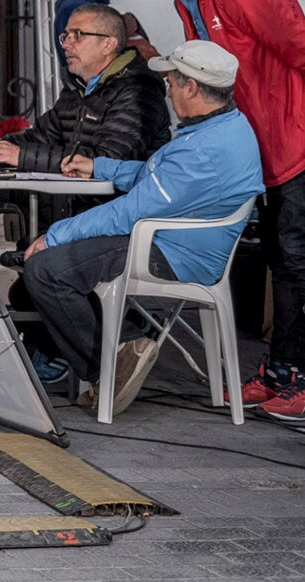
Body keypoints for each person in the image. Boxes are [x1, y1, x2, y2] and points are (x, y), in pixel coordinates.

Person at [124, 0, 305, 419]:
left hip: (300, 134)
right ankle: (283, 370)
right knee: (280, 255)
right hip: (263, 141)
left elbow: (303, 43)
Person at [22, 41, 265, 415]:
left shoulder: (202, 148)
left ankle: (115, 359)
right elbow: (157, 178)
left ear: (192, 88)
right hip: (177, 241)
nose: (167, 90)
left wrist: (54, 234)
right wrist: (100, 167)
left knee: (45, 270)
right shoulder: (225, 127)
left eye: (170, 82)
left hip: (170, 252)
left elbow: (129, 212)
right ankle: (123, 346)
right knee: (58, 264)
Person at [0, 3, 170, 175]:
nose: (66, 44)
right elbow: (39, 137)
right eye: (65, 36)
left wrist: (21, 157)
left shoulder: (139, 91)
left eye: (78, 35)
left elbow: (108, 160)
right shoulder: (76, 88)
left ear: (108, 44)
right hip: (74, 211)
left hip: (118, 218)